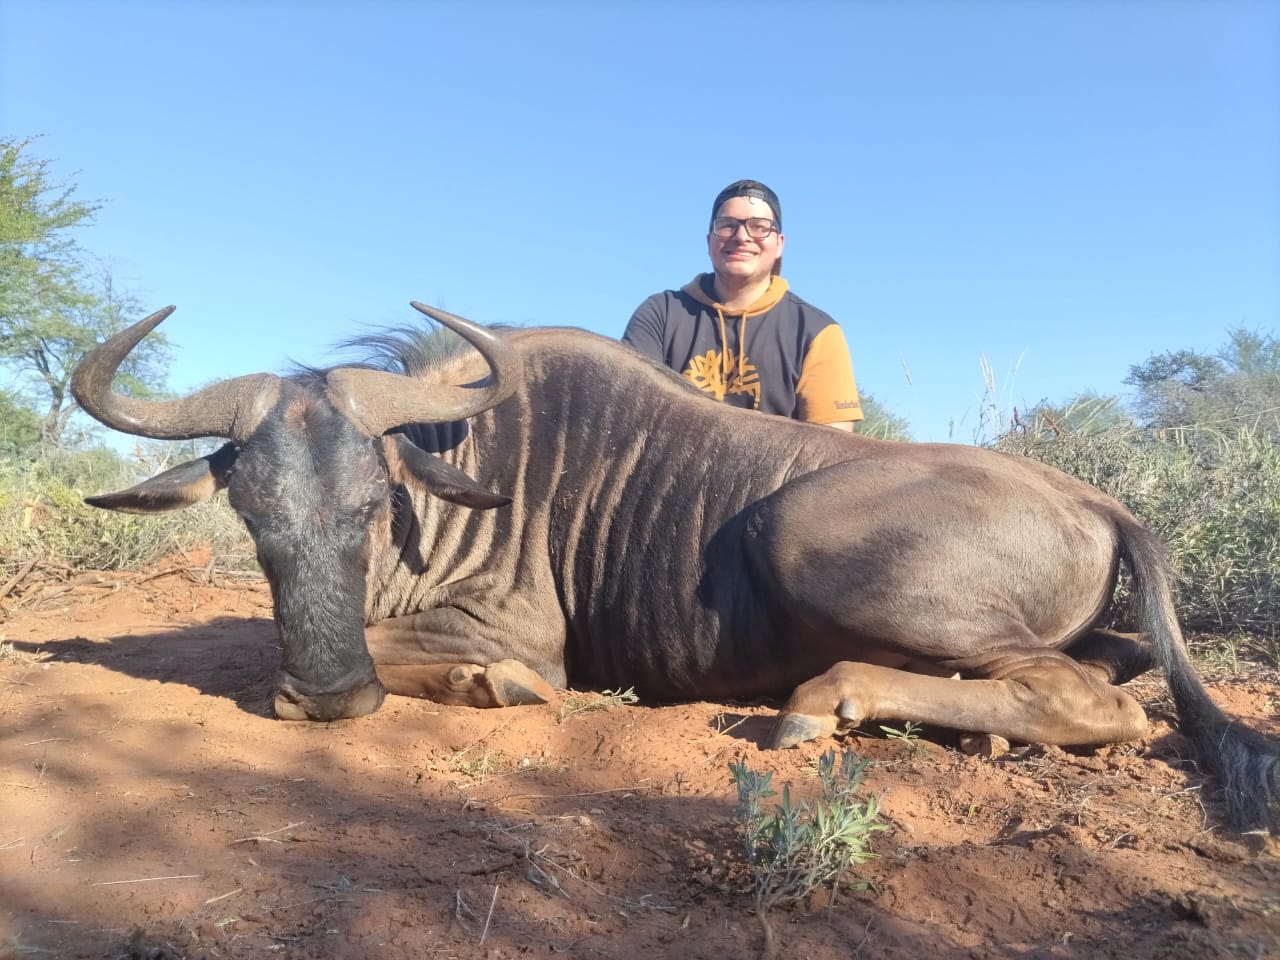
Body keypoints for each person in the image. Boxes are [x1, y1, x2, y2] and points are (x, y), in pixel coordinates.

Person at [622, 179, 863, 430]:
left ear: (779, 244)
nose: (741, 236)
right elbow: (627, 414)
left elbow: (833, 444)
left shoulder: (817, 332)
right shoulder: (659, 314)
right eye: (727, 226)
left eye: (759, 227)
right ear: (709, 241)